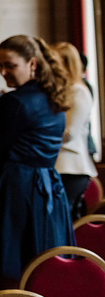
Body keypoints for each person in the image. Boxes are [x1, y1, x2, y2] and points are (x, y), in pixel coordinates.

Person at [0, 35, 74, 284]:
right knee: (44, 263)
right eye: (0, 65)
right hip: (49, 188)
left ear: (32, 63)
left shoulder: (14, 101)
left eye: (10, 65)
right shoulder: (53, 97)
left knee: (14, 262)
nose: (3, 71)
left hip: (17, 190)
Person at [52, 41, 98, 219]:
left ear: (67, 64)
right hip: (61, 165)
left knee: (65, 219)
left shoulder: (79, 91)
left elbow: (69, 133)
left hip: (71, 167)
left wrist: (39, 134)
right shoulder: (64, 91)